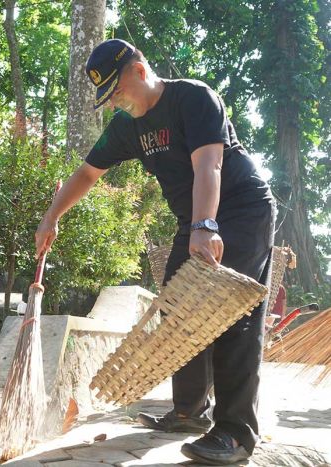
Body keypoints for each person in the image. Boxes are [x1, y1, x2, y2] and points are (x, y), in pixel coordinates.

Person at [35, 39, 274, 465]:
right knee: (176, 310)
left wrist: (205, 225)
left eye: (116, 91)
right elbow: (88, 173)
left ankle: (236, 433)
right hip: (195, 220)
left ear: (140, 72)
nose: (114, 103)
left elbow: (209, 166)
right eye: (106, 98)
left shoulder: (194, 98)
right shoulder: (128, 126)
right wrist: (51, 217)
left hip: (240, 209)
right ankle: (189, 412)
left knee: (231, 316)